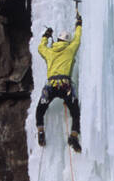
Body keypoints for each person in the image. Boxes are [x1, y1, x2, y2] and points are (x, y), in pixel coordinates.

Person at [35, 8, 82, 152]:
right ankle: (73, 135)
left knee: (40, 110)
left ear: (58, 40)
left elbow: (41, 48)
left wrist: (46, 36)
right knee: (75, 113)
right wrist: (78, 23)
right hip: (66, 87)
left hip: (51, 86)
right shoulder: (70, 49)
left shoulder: (49, 52)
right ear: (67, 41)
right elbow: (78, 38)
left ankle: (41, 132)